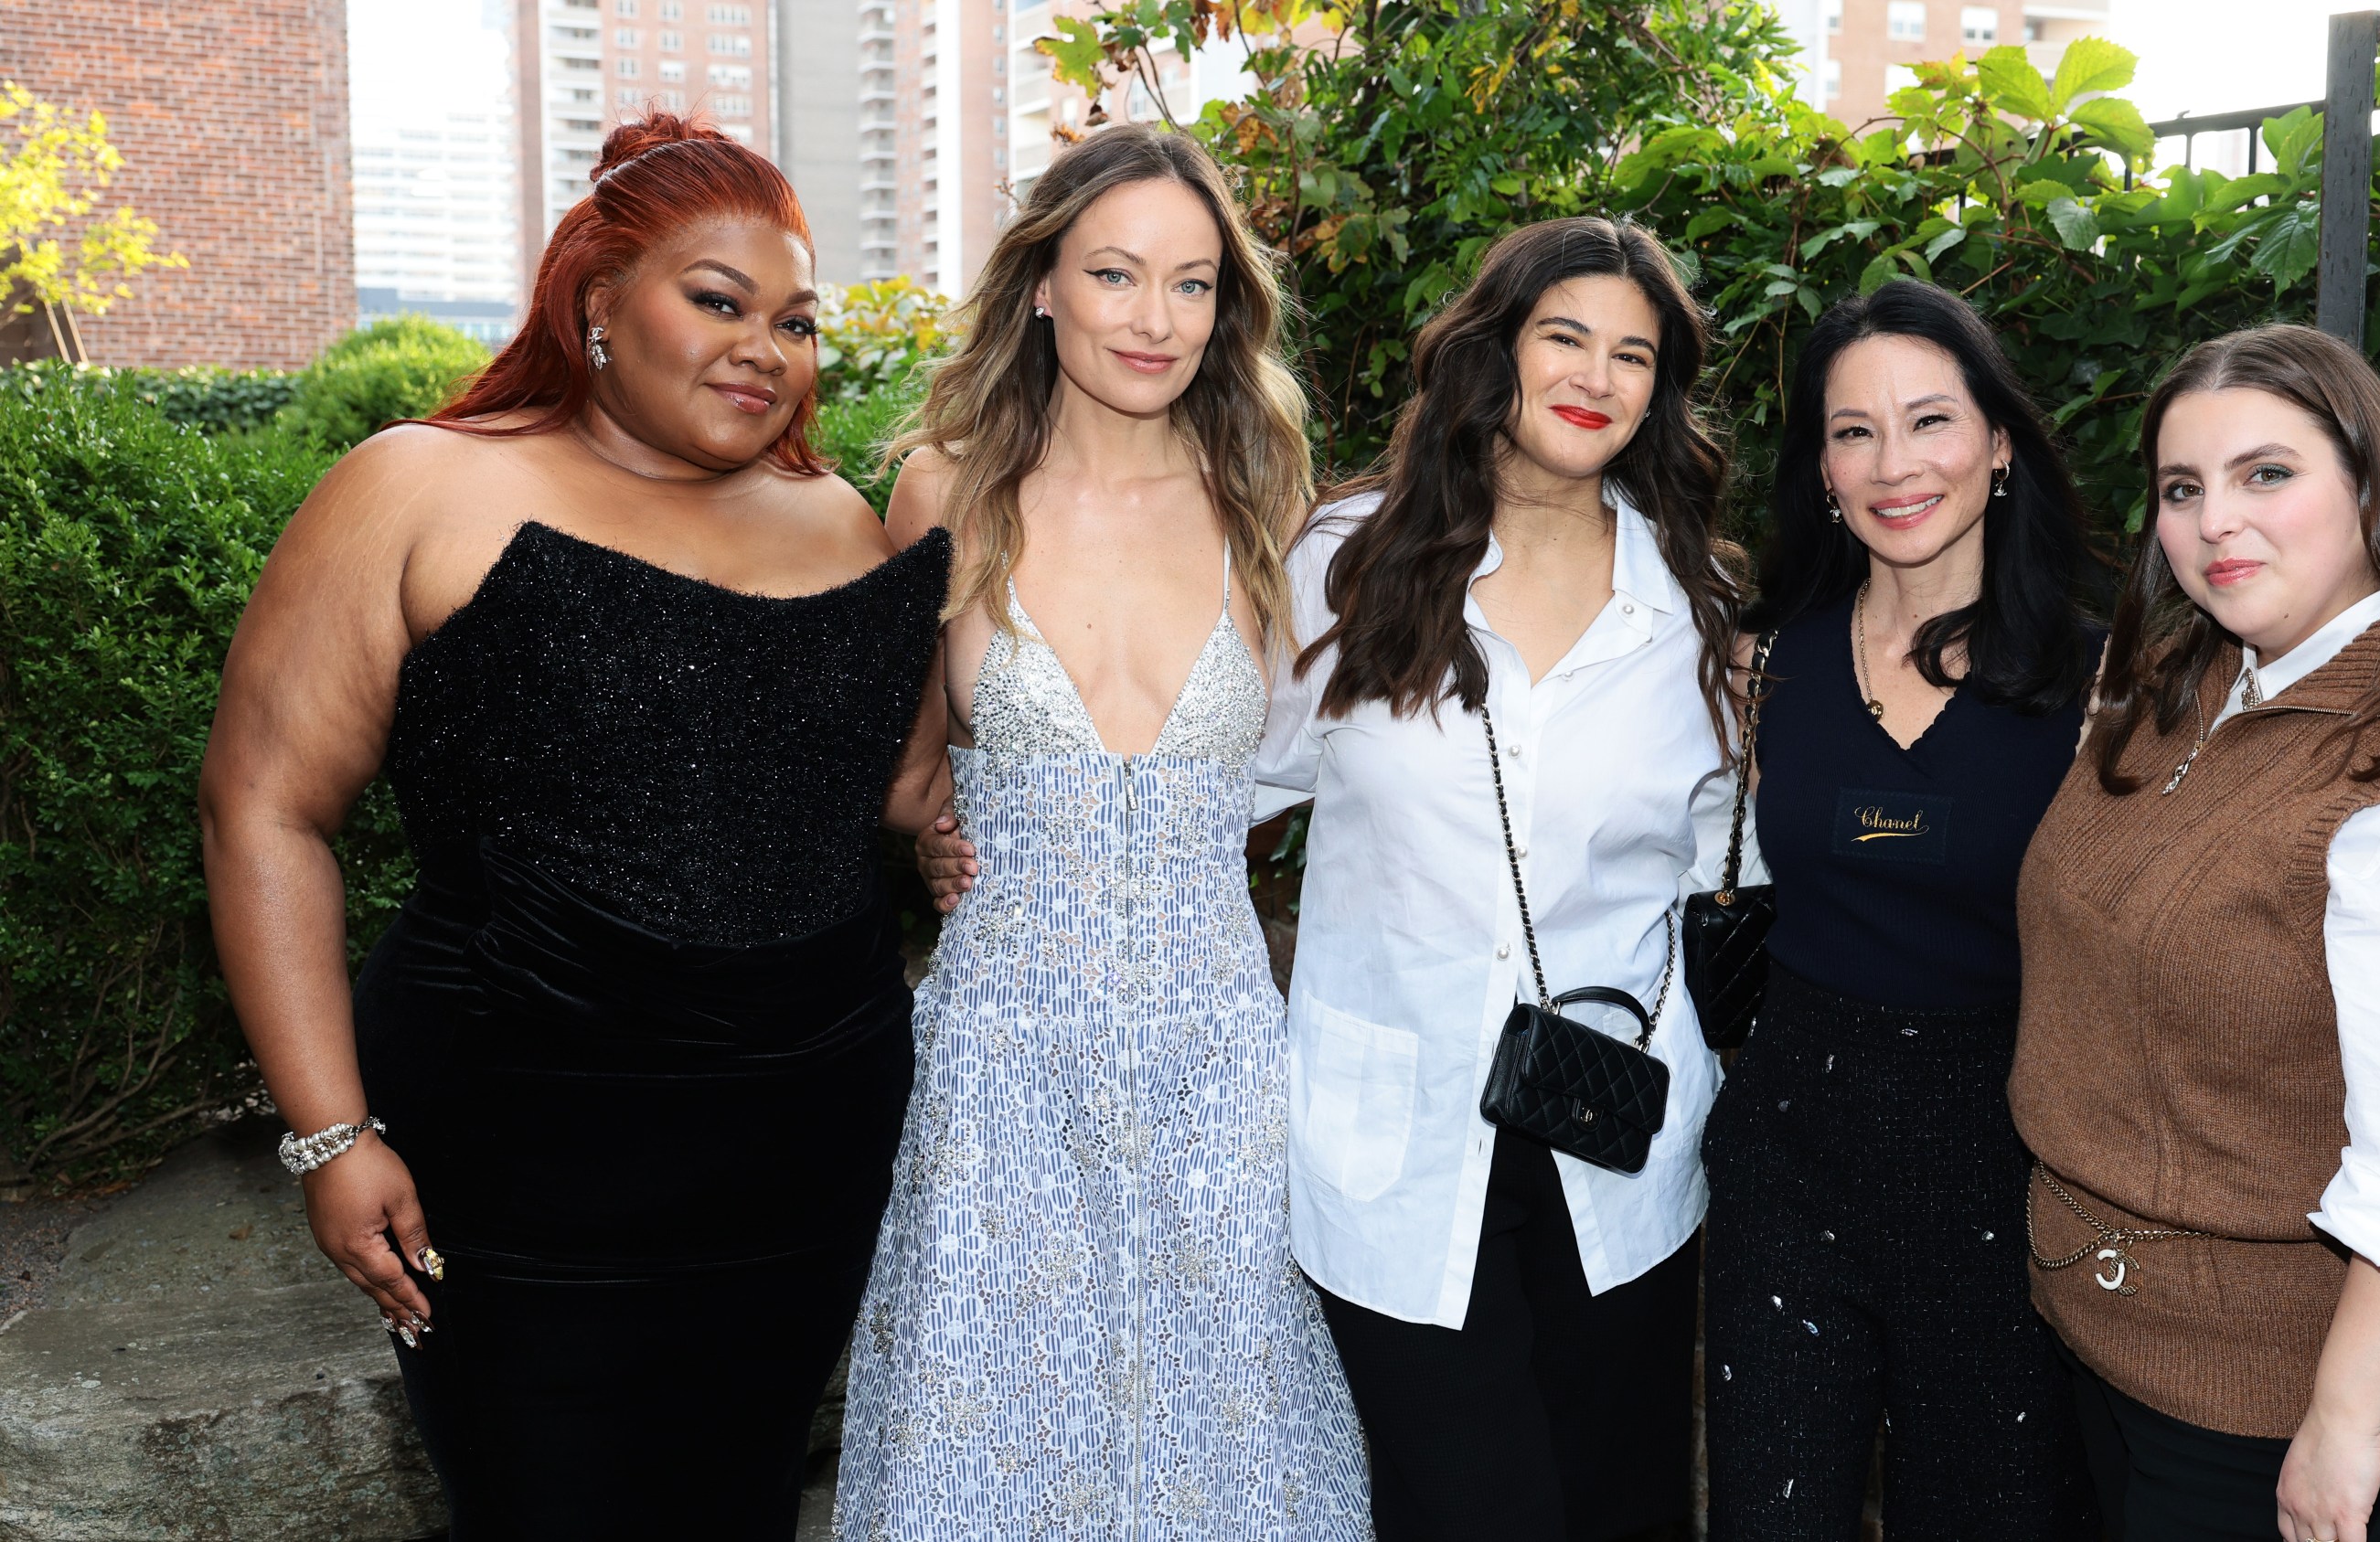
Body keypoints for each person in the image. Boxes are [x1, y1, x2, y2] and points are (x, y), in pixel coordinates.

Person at [197, 115, 946, 1537]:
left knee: (742, 1503)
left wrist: (955, 826)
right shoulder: (420, 487)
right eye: (716, 301)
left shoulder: (841, 519)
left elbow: (872, 790)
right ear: (598, 305)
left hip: (809, 1148)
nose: (763, 348)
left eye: (794, 321)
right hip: (519, 1167)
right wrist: (329, 1133)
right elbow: (262, 809)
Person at [832, 123, 1371, 1540]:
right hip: (1003, 1068)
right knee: (989, 1466)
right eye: (1118, 273)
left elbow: (1316, 774)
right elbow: (896, 772)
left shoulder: (1271, 505)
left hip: (1219, 1066)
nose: (1156, 317)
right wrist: (933, 831)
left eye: (1193, 285)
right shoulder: (943, 495)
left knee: (1244, 1467)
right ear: (1046, 285)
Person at [2009, 324, 2380, 1542]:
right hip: (2121, 1339)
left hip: (2306, 1402)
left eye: (2266, 474)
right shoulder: (2204, 676)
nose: (2216, 522)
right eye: (2184, 489)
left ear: (2368, 486)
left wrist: (2344, 1420)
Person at [1262, 215, 1737, 1542]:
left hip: (1615, 1140)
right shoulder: (1351, 562)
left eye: (1633, 354)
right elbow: (1225, 788)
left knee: (1621, 1502)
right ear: (1497, 352)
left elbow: (1713, 860)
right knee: (1468, 1509)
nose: (1596, 375)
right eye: (1565, 337)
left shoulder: (1690, 609)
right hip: (1399, 1141)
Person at [1701, 279, 2100, 1539]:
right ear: (1820, 467)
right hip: (1789, 1161)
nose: (1894, 464)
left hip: (2006, 1169)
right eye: (1853, 430)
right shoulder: (1759, 663)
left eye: (1930, 421)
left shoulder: (2110, 679)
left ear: (1997, 445)